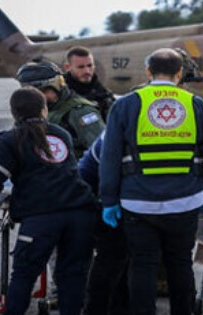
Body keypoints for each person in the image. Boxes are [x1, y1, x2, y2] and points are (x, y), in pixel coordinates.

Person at [98, 48, 203, 315]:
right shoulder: (196, 104)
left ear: (147, 71)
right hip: (185, 202)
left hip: (137, 203)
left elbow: (109, 158)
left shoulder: (126, 104)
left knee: (143, 265)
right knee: (181, 265)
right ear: (180, 73)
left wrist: (109, 200)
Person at [0, 87, 97, 315]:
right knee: (72, 276)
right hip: (81, 212)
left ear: (13, 113)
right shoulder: (61, 134)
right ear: (44, 109)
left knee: (24, 275)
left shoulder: (11, 139)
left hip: (42, 217)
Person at [78, 133, 131, 315]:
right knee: (112, 258)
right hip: (107, 200)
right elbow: (96, 168)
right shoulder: (118, 127)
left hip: (121, 198)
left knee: (120, 260)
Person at [16, 60, 105, 158]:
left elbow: (103, 150)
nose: (39, 98)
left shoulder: (80, 112)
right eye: (32, 93)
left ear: (59, 85)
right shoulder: (31, 112)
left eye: (44, 91)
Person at [63, 46, 116, 119]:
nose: (87, 71)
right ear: (67, 67)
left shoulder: (103, 94)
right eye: (81, 67)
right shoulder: (61, 94)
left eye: (89, 65)